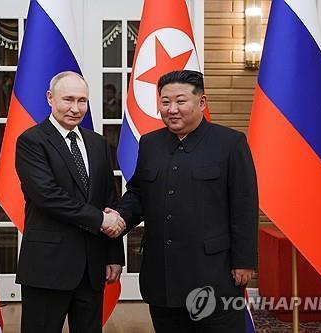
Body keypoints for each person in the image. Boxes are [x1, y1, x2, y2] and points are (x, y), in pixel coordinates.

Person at [113, 70, 258, 332]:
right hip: (163, 275)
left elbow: (244, 206)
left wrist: (244, 261)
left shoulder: (230, 143)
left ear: (202, 102)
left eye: (180, 101)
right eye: (165, 102)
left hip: (214, 274)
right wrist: (120, 217)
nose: (171, 109)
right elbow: (137, 193)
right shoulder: (150, 143)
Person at [15, 71, 125, 333]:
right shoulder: (32, 141)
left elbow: (109, 198)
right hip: (48, 266)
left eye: (82, 101)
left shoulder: (97, 143)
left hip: (92, 266)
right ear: (50, 98)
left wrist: (114, 255)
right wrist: (100, 220)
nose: (76, 109)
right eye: (68, 100)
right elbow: (48, 196)